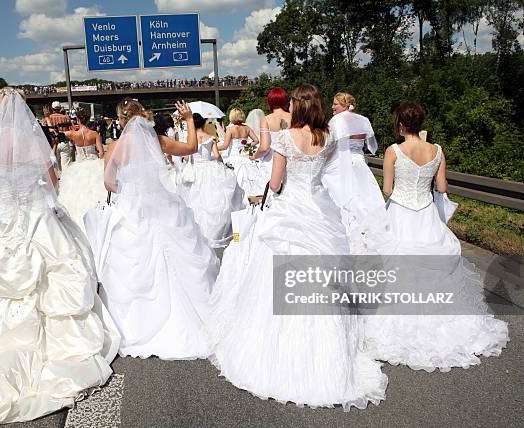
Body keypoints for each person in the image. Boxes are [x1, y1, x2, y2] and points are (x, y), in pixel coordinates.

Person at [0, 87, 120, 424]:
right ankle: (59, 340)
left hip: (5, 216)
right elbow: (51, 180)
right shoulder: (34, 139)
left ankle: (16, 336)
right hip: (35, 211)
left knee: (13, 282)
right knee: (54, 270)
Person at [208, 84, 387, 410]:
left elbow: (275, 183)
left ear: (298, 107)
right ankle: (327, 358)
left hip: (290, 212)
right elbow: (324, 171)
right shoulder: (327, 138)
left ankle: (283, 354)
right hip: (320, 212)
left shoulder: (286, 139)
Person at [362, 102, 508, 372]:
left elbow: (388, 188)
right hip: (427, 214)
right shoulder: (437, 150)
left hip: (402, 213)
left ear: (401, 125)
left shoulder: (394, 151)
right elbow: (442, 187)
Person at [84, 99, 219, 360]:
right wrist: (189, 119)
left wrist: (130, 190)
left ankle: (140, 324)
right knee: (180, 256)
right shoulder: (158, 141)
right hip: (163, 205)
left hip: (133, 210)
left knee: (134, 265)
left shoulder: (116, 146)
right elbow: (191, 147)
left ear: (122, 120)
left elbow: (108, 183)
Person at [325, 92, 386, 253]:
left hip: (341, 163)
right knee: (365, 195)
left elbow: (330, 145)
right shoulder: (364, 120)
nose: (332, 107)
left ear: (344, 105)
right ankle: (370, 229)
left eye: (335, 104)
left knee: (345, 196)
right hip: (359, 162)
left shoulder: (337, 120)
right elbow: (371, 145)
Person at [177, 113, 246, 248]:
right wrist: (221, 164)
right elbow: (217, 155)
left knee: (196, 201)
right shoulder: (211, 138)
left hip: (196, 169)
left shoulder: (189, 139)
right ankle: (215, 233)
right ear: (203, 124)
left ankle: (197, 233)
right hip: (210, 168)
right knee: (213, 200)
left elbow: (185, 157)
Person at [57, 108, 105, 233]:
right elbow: (101, 153)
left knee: (77, 193)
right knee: (96, 191)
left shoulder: (73, 134)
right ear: (88, 119)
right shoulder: (94, 134)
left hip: (79, 165)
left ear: (78, 119)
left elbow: (59, 134)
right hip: (94, 163)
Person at [218, 108, 261, 197]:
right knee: (248, 179)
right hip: (245, 156)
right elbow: (256, 140)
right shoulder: (247, 128)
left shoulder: (230, 129)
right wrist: (246, 147)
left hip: (233, 158)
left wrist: (213, 147)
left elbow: (225, 146)